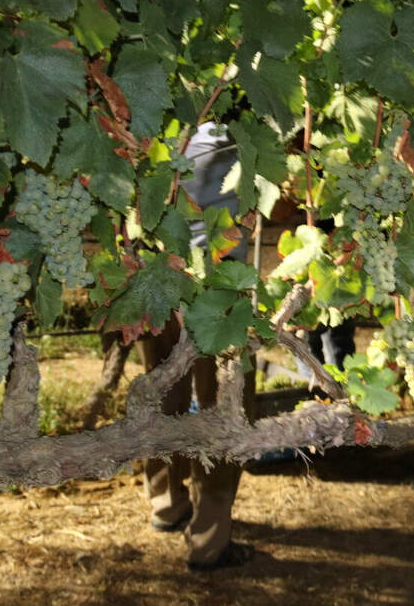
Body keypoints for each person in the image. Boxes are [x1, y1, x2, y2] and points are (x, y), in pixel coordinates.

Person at [141, 122, 256, 571]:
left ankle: (166, 505)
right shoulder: (232, 114)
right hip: (218, 285)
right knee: (225, 405)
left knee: (162, 391)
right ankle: (209, 541)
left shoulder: (156, 103)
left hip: (157, 276)